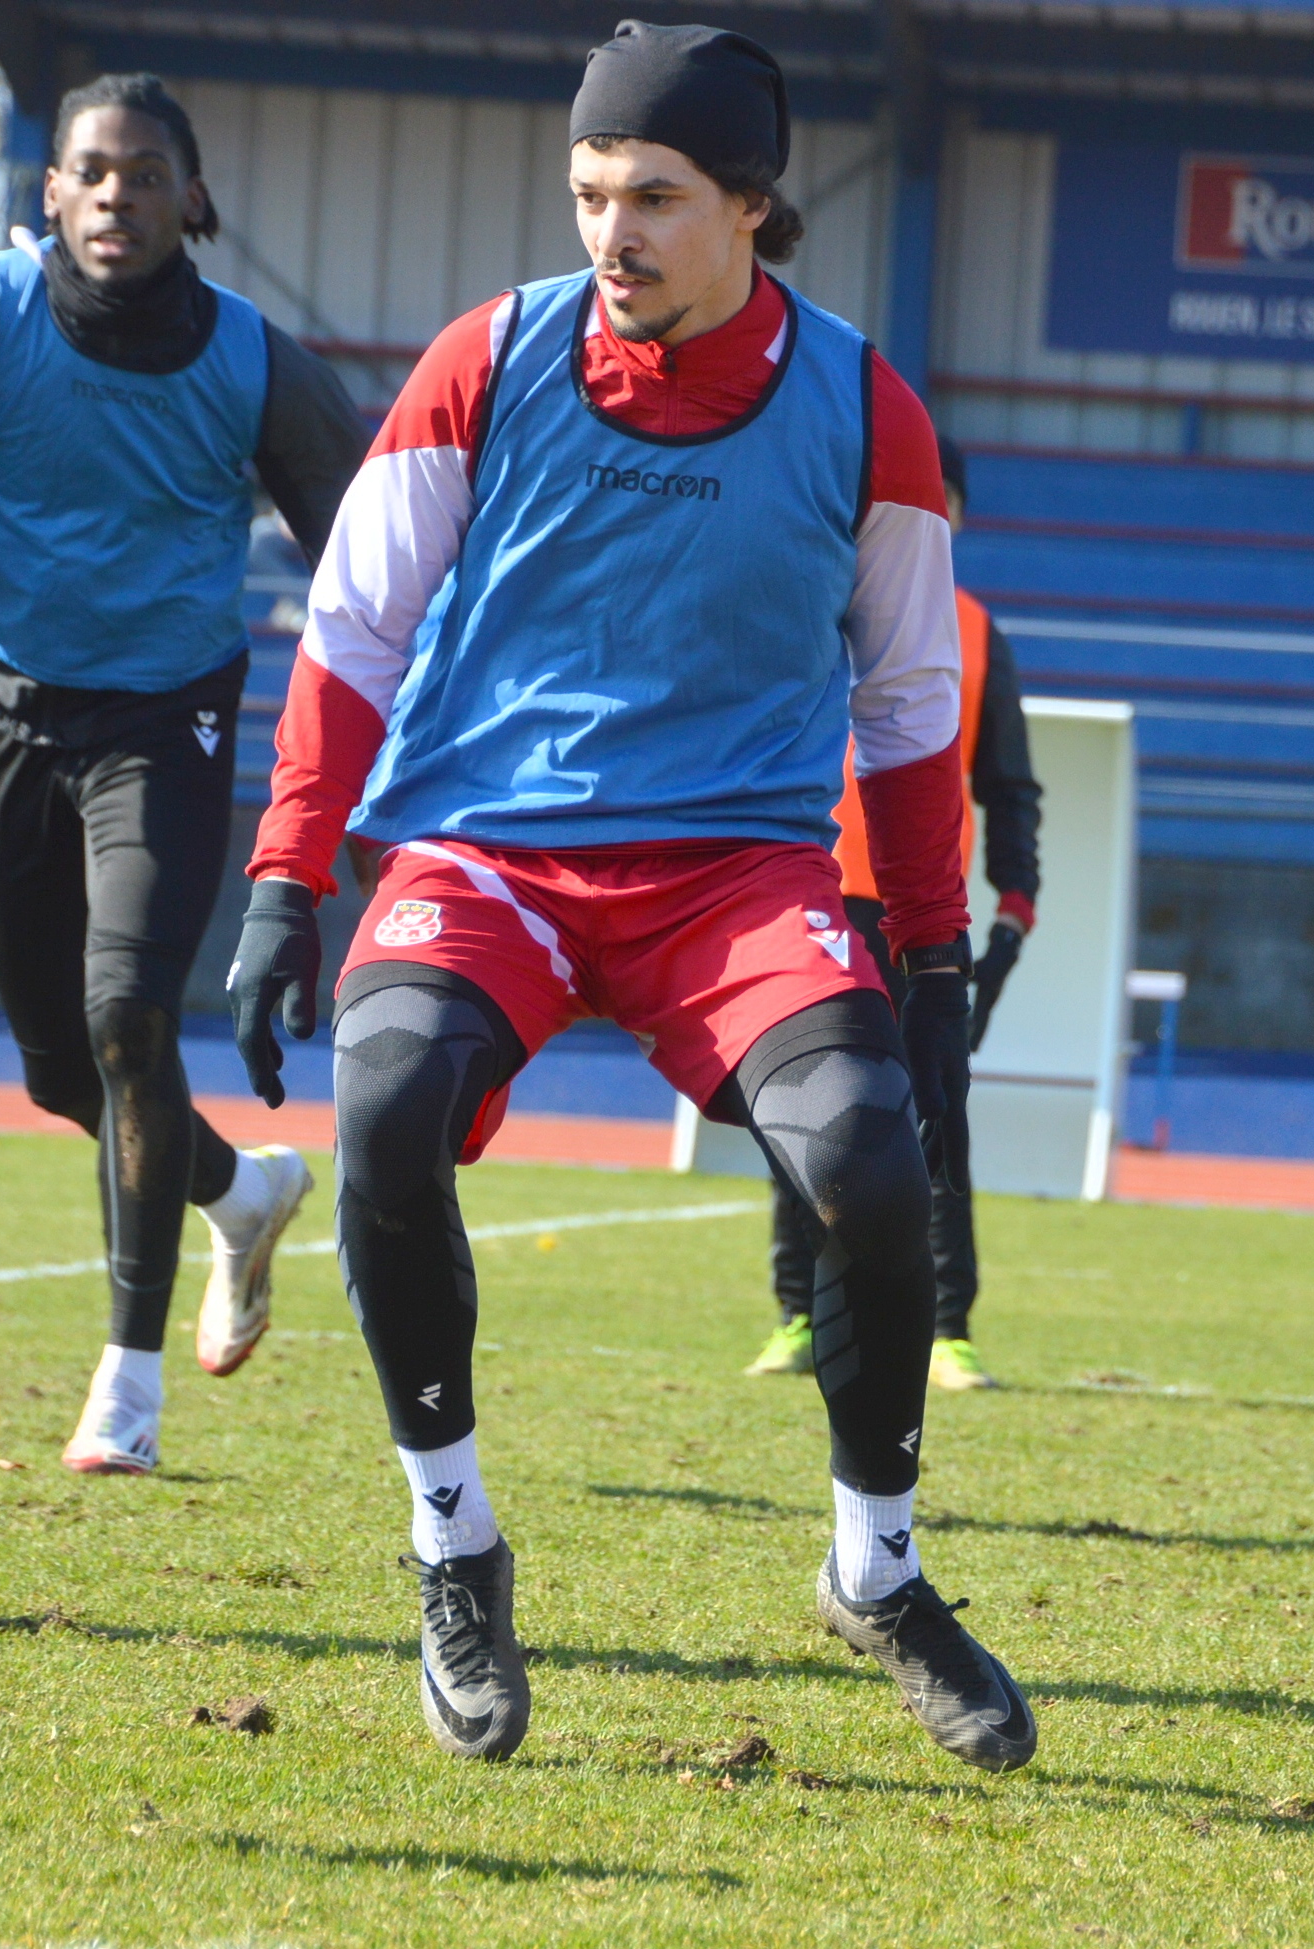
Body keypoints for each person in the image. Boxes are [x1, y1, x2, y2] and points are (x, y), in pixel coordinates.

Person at [226, 21, 1036, 1773]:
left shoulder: (867, 406)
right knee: (383, 1106)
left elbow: (908, 703)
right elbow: (354, 626)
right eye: (592, 191)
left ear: (750, 204)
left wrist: (927, 945)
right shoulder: (484, 358)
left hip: (733, 873)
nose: (614, 228)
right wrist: (289, 866)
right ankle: (453, 1543)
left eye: (655, 196)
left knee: (874, 1167)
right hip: (484, 851)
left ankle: (875, 1568)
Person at [0, 71, 367, 1475]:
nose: (115, 194)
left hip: (168, 722)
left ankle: (128, 1379)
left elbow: (377, 554)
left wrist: (387, 751)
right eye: (91, 171)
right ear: (52, 192)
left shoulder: (259, 366)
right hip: (4, 708)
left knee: (126, 1016)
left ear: (190, 201)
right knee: (59, 1071)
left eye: (146, 174)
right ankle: (242, 1190)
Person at [750, 433, 1042, 1392]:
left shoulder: (974, 628)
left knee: (933, 1114)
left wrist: (1012, 915)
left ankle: (948, 1330)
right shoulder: (809, 604)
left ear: (953, 512)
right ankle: (799, 1315)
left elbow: (1009, 784)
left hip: (927, 917)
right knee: (804, 1104)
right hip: (812, 896)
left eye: (940, 495)